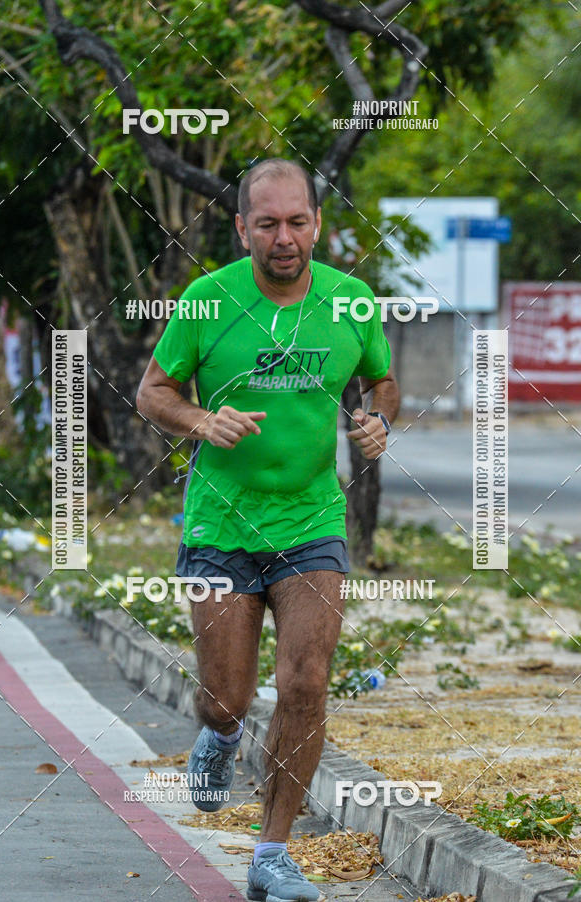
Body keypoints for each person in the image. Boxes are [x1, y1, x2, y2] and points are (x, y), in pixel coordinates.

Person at [136, 158, 399, 902]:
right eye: (267, 223)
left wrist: (379, 419)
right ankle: (219, 737)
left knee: (306, 682)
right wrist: (199, 419)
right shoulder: (205, 300)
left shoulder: (351, 303)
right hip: (221, 525)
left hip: (313, 521)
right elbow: (152, 391)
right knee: (227, 695)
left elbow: (383, 378)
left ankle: (272, 854)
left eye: (297, 222)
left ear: (318, 223)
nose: (284, 238)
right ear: (242, 227)